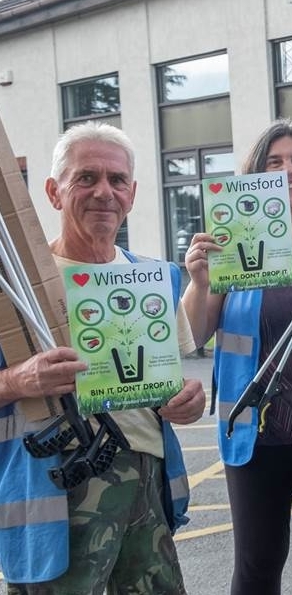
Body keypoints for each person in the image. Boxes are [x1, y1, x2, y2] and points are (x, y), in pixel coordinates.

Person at [0, 121, 205, 593]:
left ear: (132, 194)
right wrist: (17, 381)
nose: (103, 193)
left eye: (116, 180)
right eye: (86, 178)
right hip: (56, 490)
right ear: (54, 192)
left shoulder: (152, 278)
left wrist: (186, 402)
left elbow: (168, 389)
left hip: (148, 488)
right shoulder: (18, 285)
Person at [181, 118, 292, 594]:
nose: (289, 170)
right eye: (275, 162)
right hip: (255, 429)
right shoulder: (237, 243)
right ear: (256, 176)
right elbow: (195, 333)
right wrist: (201, 281)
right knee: (257, 565)